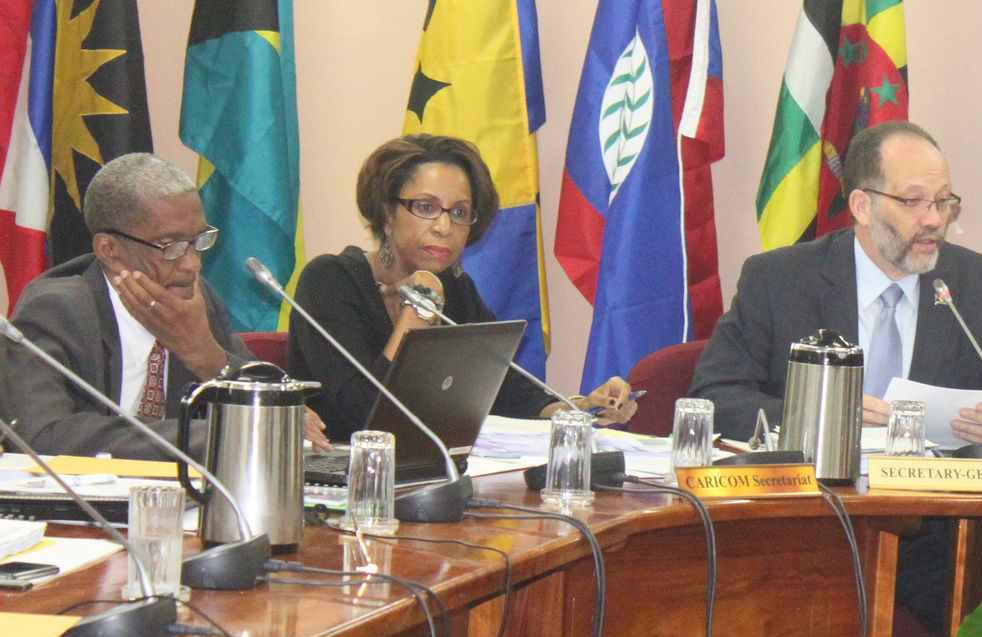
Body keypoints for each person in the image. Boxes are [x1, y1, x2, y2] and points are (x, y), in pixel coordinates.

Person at [690, 120, 982, 444]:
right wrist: (816, 420)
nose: (935, 219)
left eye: (943, 201)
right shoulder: (779, 280)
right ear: (862, 206)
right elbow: (714, 396)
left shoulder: (976, 284)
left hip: (932, 506)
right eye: (913, 201)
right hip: (810, 502)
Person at [288, 134, 636, 441]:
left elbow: (506, 390)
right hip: (342, 486)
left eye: (459, 212)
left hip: (427, 477)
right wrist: (419, 305)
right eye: (426, 207)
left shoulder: (456, 289)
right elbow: (362, 418)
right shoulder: (330, 282)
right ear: (386, 213)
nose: (444, 226)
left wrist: (579, 408)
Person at [5, 153, 325, 460]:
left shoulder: (197, 300)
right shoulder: (56, 311)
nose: (192, 264)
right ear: (110, 250)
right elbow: (42, 436)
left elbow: (276, 412)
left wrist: (206, 356)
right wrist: (220, 435)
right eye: (170, 246)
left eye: (200, 240)